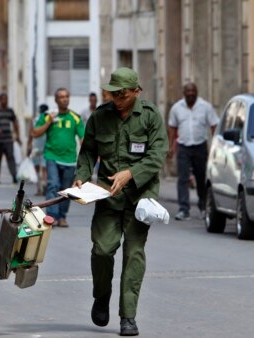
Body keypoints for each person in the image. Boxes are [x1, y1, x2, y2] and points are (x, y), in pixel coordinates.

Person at [74, 67, 167, 336]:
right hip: (107, 195)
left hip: (140, 198)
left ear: (136, 92)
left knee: (133, 254)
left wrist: (131, 174)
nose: (116, 99)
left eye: (122, 95)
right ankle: (101, 296)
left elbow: (158, 154)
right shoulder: (100, 117)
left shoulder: (149, 116)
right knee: (102, 250)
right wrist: (81, 176)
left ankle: (128, 316)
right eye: (113, 94)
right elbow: (88, 151)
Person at [32, 88, 85, 227]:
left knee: (66, 190)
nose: (64, 99)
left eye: (67, 96)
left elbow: (82, 139)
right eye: (61, 97)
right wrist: (49, 121)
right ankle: (51, 217)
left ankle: (62, 216)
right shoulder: (48, 115)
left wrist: (87, 157)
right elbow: (35, 133)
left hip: (70, 160)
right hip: (52, 157)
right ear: (56, 100)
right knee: (53, 185)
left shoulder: (75, 117)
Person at [167, 83, 219, 221]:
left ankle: (203, 207)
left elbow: (214, 125)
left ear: (197, 92)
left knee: (201, 178)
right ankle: (183, 209)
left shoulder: (206, 107)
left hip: (200, 146)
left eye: (193, 91)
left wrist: (215, 145)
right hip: (183, 146)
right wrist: (171, 146)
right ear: (184, 93)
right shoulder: (177, 108)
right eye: (188, 91)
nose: (190, 93)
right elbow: (172, 127)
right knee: (183, 178)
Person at [0, 93, 21, 184]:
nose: (5, 101)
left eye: (6, 99)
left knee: (11, 157)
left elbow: (15, 123)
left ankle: (14, 175)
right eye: (3, 99)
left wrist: (17, 135)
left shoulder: (10, 111)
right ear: (0, 100)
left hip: (8, 139)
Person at [27, 103, 49, 196]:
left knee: (36, 169)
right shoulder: (49, 120)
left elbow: (30, 134)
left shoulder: (35, 120)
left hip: (36, 147)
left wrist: (28, 147)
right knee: (44, 169)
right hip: (46, 147)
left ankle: (38, 189)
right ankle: (44, 184)